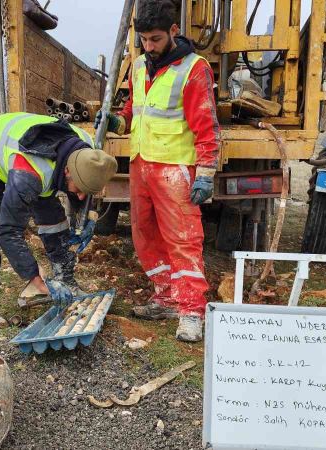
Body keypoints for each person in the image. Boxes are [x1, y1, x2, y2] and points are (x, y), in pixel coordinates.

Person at [95, 0, 220, 342]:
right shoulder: (137, 66)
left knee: (182, 240)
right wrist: (116, 121)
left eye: (155, 39)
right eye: (144, 40)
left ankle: (191, 310)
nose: (149, 47)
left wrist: (206, 173)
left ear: (174, 32)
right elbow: (135, 111)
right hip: (141, 165)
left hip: (174, 169)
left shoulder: (194, 69)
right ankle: (166, 295)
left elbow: (207, 127)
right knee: (144, 234)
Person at [0, 112, 118, 330]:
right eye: (79, 190)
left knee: (54, 219)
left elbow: (84, 189)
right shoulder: (31, 173)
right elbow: (8, 232)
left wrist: (88, 215)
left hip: (39, 160)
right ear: (67, 172)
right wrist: (35, 277)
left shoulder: (87, 152)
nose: (81, 196)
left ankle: (66, 280)